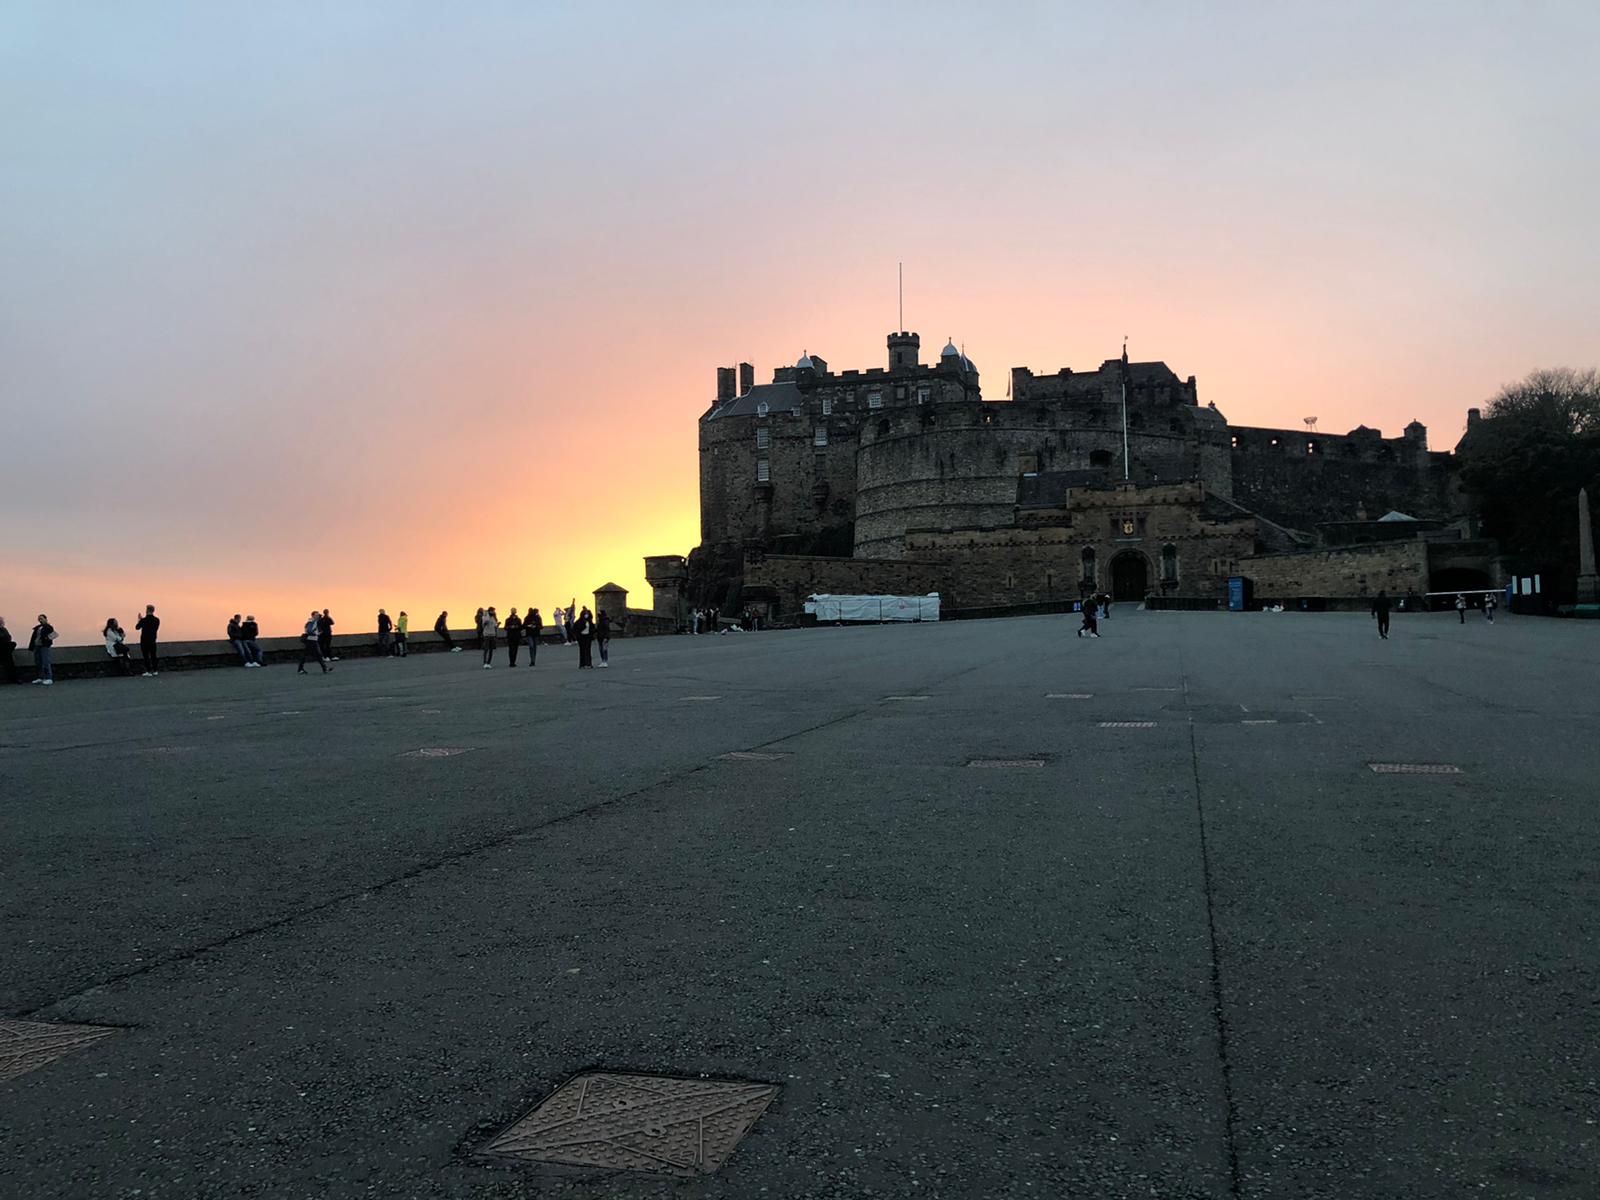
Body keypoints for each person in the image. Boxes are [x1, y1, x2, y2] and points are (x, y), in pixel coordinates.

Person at [29, 614, 56, 684]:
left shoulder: (48, 627)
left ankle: (49, 678)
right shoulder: (38, 628)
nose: (40, 620)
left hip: (44, 646)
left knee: (45, 662)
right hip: (37, 646)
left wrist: (46, 640)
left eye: (41, 619)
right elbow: (34, 637)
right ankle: (40, 677)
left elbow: (52, 636)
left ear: (45, 619)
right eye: (39, 619)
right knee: (38, 662)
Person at [136, 604, 160, 676]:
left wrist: (139, 620)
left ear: (147, 610)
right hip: (153, 640)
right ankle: (155, 670)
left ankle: (148, 671)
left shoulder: (143, 620)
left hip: (144, 640)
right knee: (153, 655)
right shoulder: (157, 620)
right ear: (153, 611)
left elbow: (137, 627)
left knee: (146, 656)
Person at [0, 617, 17, 684]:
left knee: (13, 644)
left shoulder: (4, 629)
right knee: (9, 661)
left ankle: (13, 679)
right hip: (1, 648)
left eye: (1, 621)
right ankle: (13, 679)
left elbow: (9, 637)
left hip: (5, 649)